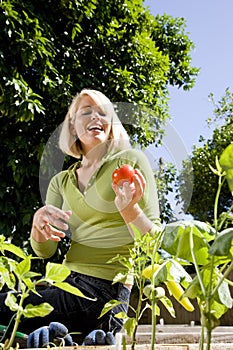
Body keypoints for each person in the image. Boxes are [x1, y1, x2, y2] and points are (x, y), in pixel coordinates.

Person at [0, 89, 161, 346]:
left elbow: (153, 244)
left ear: (111, 125)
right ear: (72, 126)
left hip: (106, 290)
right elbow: (45, 252)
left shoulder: (129, 162)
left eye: (102, 112)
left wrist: (129, 210)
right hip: (64, 286)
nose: (95, 116)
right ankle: (67, 335)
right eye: (86, 112)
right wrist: (38, 229)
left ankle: (78, 332)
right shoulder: (61, 181)